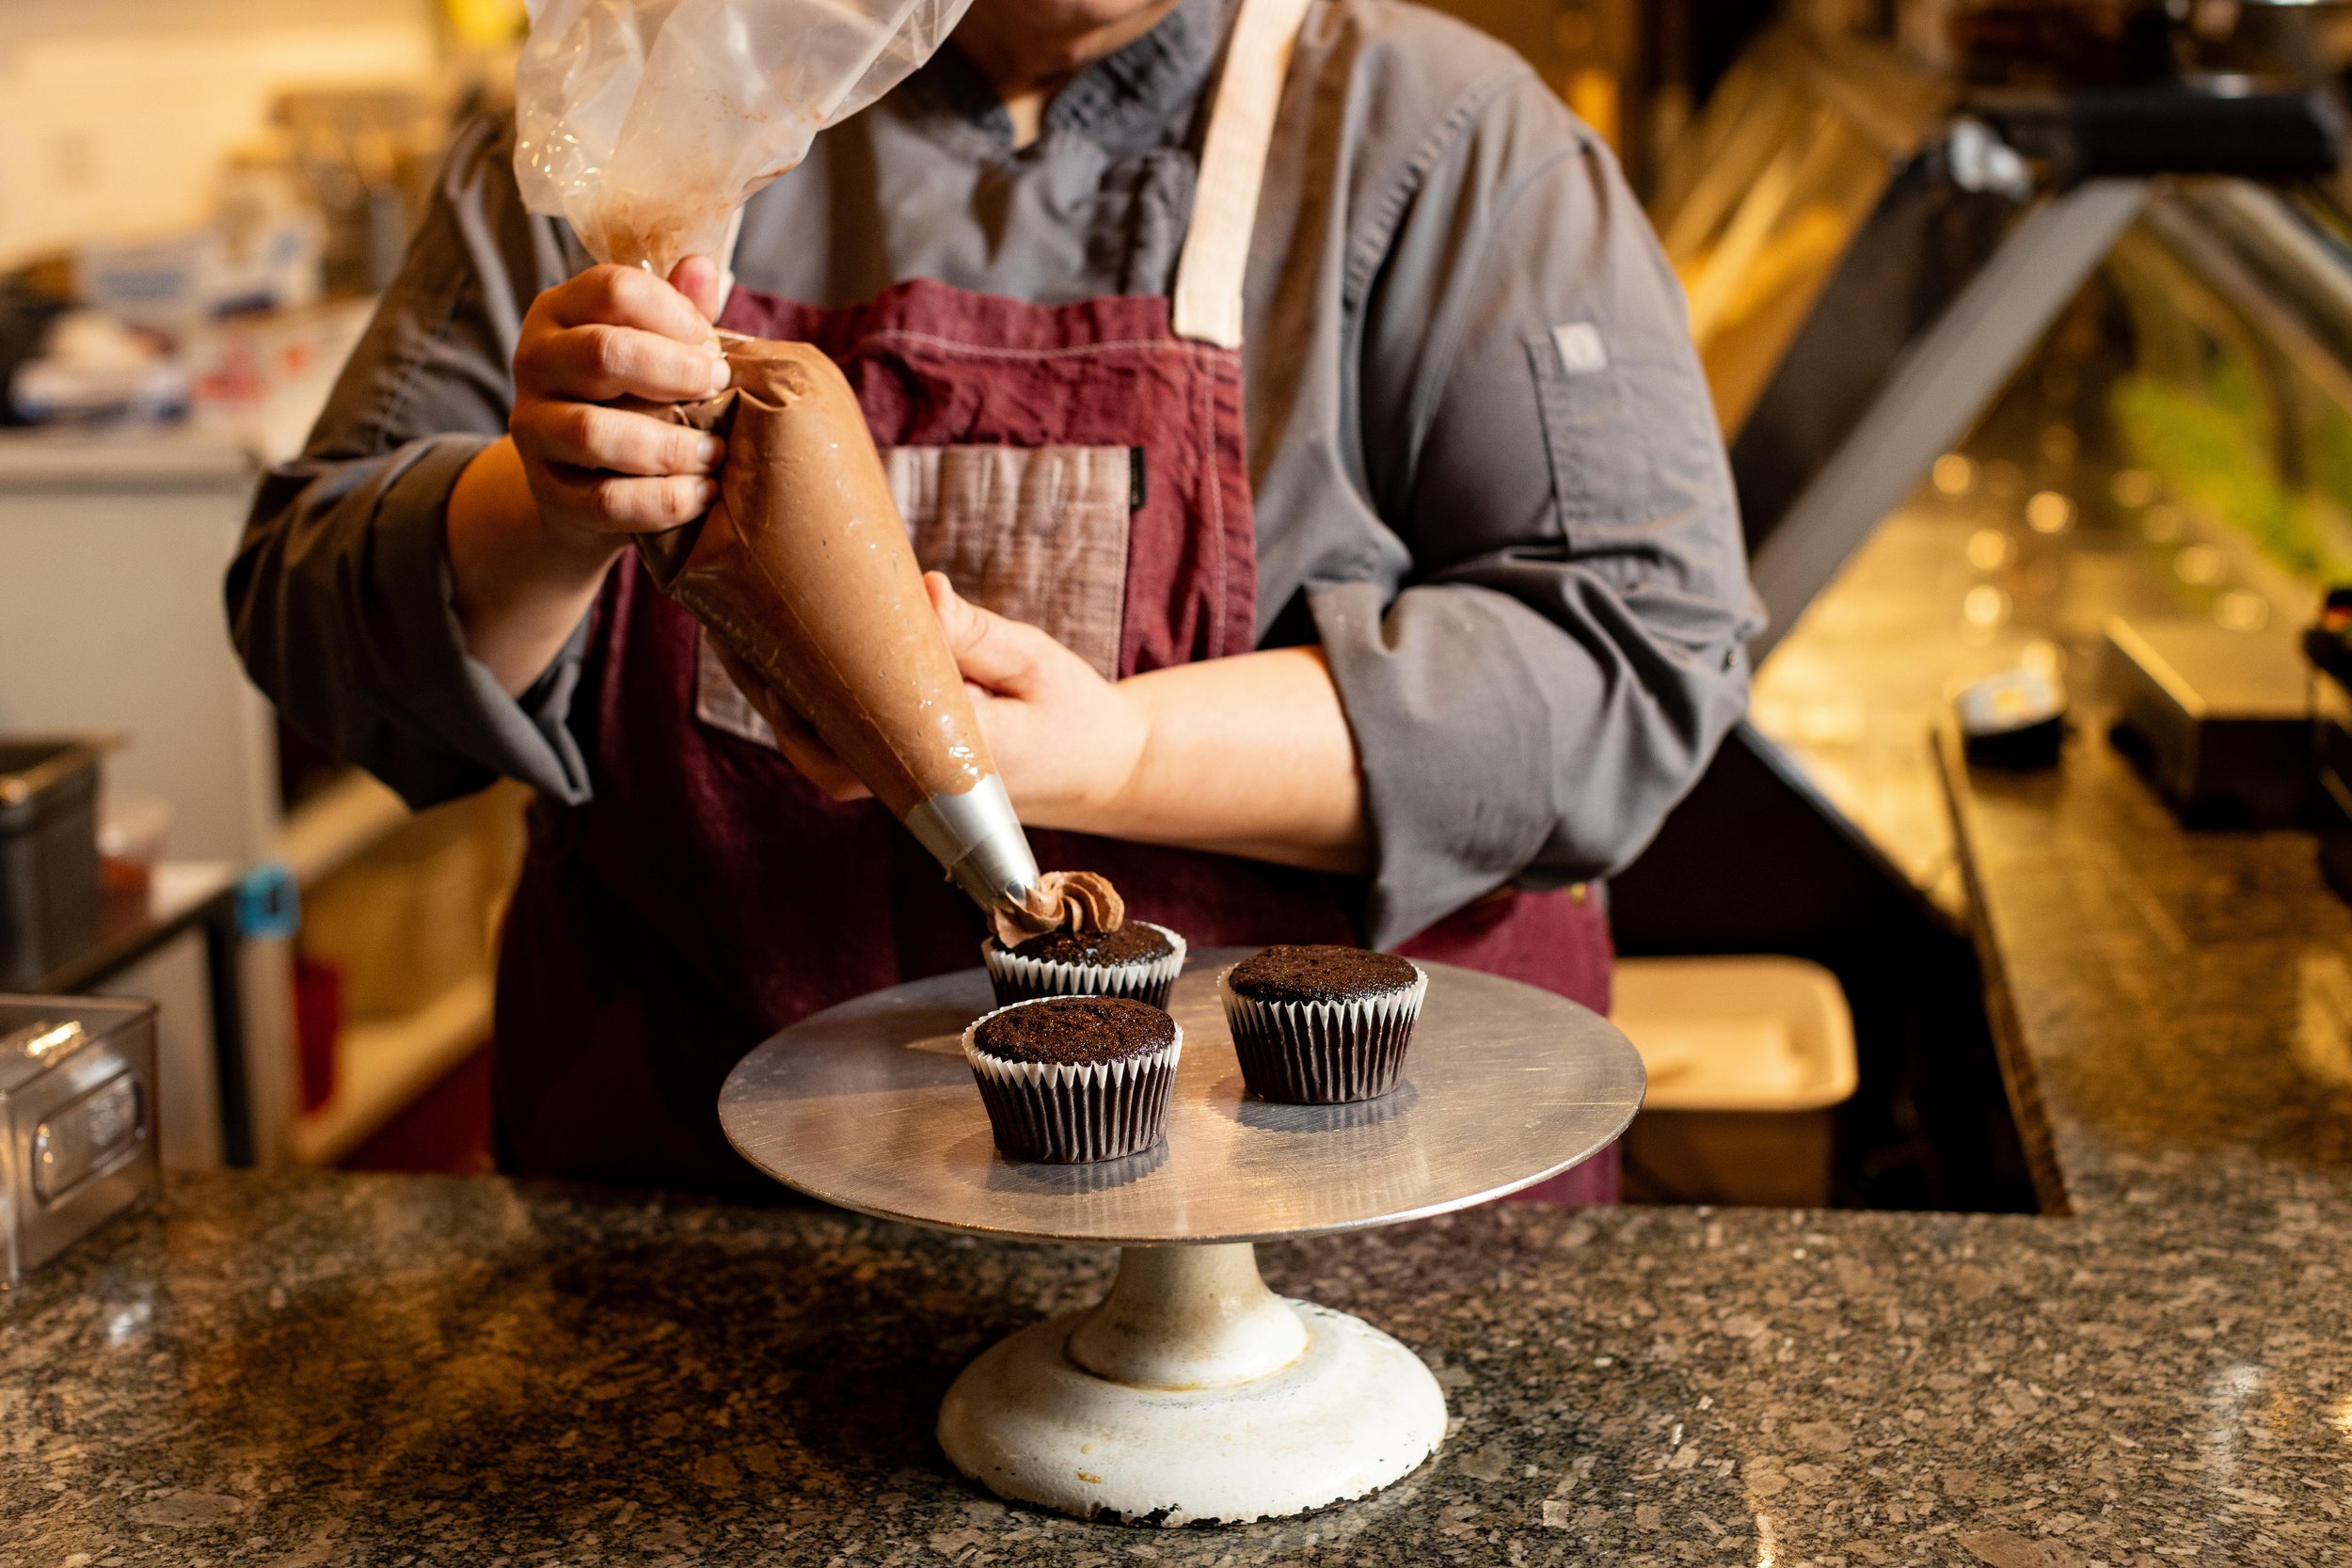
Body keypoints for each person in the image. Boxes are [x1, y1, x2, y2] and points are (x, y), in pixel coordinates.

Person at [229, 0, 1761, 1193]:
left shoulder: (1449, 144)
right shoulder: (641, 115)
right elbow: (307, 622)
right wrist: (548, 504)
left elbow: (1627, 668)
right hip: (706, 1240)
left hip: (1325, 1259)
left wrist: (1121, 757)